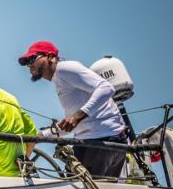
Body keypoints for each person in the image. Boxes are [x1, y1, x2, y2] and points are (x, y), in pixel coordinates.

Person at [18, 41, 127, 177]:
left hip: (100, 143)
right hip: (107, 142)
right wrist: (41, 136)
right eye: (27, 62)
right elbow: (72, 125)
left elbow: (107, 88)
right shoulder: (59, 79)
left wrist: (77, 117)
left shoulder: (64, 69)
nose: (29, 65)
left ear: (51, 57)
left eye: (32, 59)